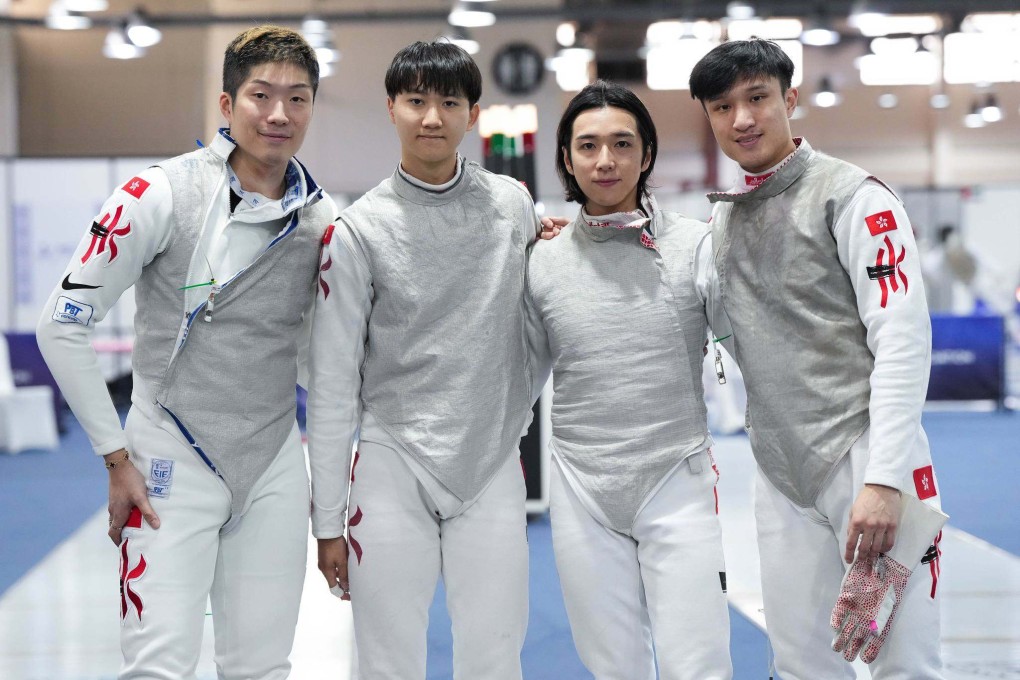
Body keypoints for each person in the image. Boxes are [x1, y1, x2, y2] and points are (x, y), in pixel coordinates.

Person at [36, 25, 335, 679]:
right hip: (166, 461)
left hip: (276, 465)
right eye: (261, 95)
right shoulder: (157, 194)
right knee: (158, 667)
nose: (279, 113)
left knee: (263, 667)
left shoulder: (320, 219)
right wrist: (115, 458)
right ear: (227, 106)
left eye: (298, 98)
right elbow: (60, 326)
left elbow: (327, 353)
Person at [689, 39, 946, 678]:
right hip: (782, 471)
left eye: (757, 98)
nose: (742, 119)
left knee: (905, 664)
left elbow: (903, 340)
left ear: (790, 98)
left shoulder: (856, 197)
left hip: (869, 457)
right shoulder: (724, 225)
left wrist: (884, 481)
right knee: (802, 665)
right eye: (723, 107)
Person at [307, 41, 548, 680]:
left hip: (492, 459)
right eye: (416, 101)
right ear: (391, 108)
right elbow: (332, 384)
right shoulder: (359, 230)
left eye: (449, 102)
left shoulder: (513, 207)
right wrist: (328, 519)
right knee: (386, 660)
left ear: (473, 112)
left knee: (495, 655)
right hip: (392, 460)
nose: (432, 118)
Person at [525, 80, 732, 680]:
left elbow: (757, 345)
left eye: (622, 143)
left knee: (700, 663)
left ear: (646, 154)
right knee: (613, 667)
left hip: (677, 477)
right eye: (587, 146)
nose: (605, 160)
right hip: (581, 486)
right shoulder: (541, 260)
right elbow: (514, 374)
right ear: (566, 159)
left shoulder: (697, 246)